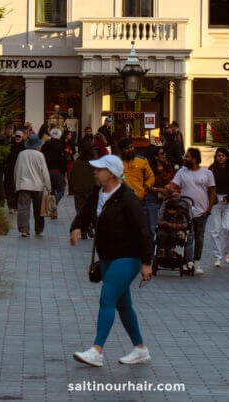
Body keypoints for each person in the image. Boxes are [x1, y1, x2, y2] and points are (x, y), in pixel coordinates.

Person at [70, 154, 152, 367]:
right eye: (95, 169)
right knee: (123, 305)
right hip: (106, 257)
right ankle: (140, 348)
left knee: (107, 298)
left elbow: (143, 230)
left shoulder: (127, 198)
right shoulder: (98, 193)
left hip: (128, 257)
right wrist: (76, 227)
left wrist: (146, 261)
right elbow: (85, 213)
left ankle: (97, 350)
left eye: (99, 169)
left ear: (112, 173)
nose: (95, 172)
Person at [166, 147, 216, 275]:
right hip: (185, 210)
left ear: (194, 159)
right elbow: (173, 185)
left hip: (202, 212)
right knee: (188, 236)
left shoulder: (207, 173)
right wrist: (172, 191)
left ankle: (197, 261)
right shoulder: (182, 172)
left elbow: (212, 192)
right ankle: (189, 262)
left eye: (187, 157)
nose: (185, 159)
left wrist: (208, 210)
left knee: (199, 237)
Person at [209, 147, 229, 267]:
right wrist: (211, 197)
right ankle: (217, 256)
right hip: (215, 200)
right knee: (215, 229)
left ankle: (226, 250)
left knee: (228, 227)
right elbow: (208, 185)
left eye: (222, 155)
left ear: (226, 157)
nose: (220, 158)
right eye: (218, 155)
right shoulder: (212, 169)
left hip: (228, 200)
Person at [14, 145, 52, 237]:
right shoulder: (40, 155)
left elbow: (16, 169)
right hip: (37, 186)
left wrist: (17, 184)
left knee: (23, 207)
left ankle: (24, 230)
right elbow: (45, 171)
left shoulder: (21, 154)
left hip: (24, 185)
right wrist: (48, 186)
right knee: (38, 208)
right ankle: (38, 229)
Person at [145, 148, 175, 243]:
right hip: (153, 198)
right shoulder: (150, 169)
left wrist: (169, 188)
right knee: (153, 227)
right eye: (162, 153)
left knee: (168, 226)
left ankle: (166, 251)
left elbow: (174, 180)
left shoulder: (168, 167)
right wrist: (159, 189)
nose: (164, 155)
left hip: (167, 199)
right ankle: (153, 253)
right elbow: (146, 184)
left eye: (165, 153)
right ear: (155, 156)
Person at [68, 140, 96, 238]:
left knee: (80, 210)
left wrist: (71, 189)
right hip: (92, 190)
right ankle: (89, 228)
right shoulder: (95, 162)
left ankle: (83, 230)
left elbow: (71, 176)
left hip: (79, 190)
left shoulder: (77, 162)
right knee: (91, 210)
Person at [118, 137, 155, 203]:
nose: (130, 150)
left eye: (131, 147)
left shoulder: (142, 160)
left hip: (138, 199)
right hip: (121, 200)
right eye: (127, 148)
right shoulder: (116, 162)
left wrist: (146, 186)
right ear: (121, 150)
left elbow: (151, 177)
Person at [41, 127, 67, 204]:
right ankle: (52, 204)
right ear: (59, 136)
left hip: (47, 171)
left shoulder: (46, 145)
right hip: (58, 172)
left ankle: (52, 212)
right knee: (61, 191)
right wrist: (63, 171)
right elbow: (63, 160)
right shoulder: (61, 146)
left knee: (51, 191)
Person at [3, 129, 26, 211]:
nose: (17, 138)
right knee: (10, 188)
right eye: (16, 136)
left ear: (22, 137)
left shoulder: (24, 147)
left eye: (19, 137)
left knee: (18, 189)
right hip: (10, 170)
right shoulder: (10, 145)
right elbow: (6, 157)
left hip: (20, 171)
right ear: (14, 136)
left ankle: (16, 206)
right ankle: (11, 206)